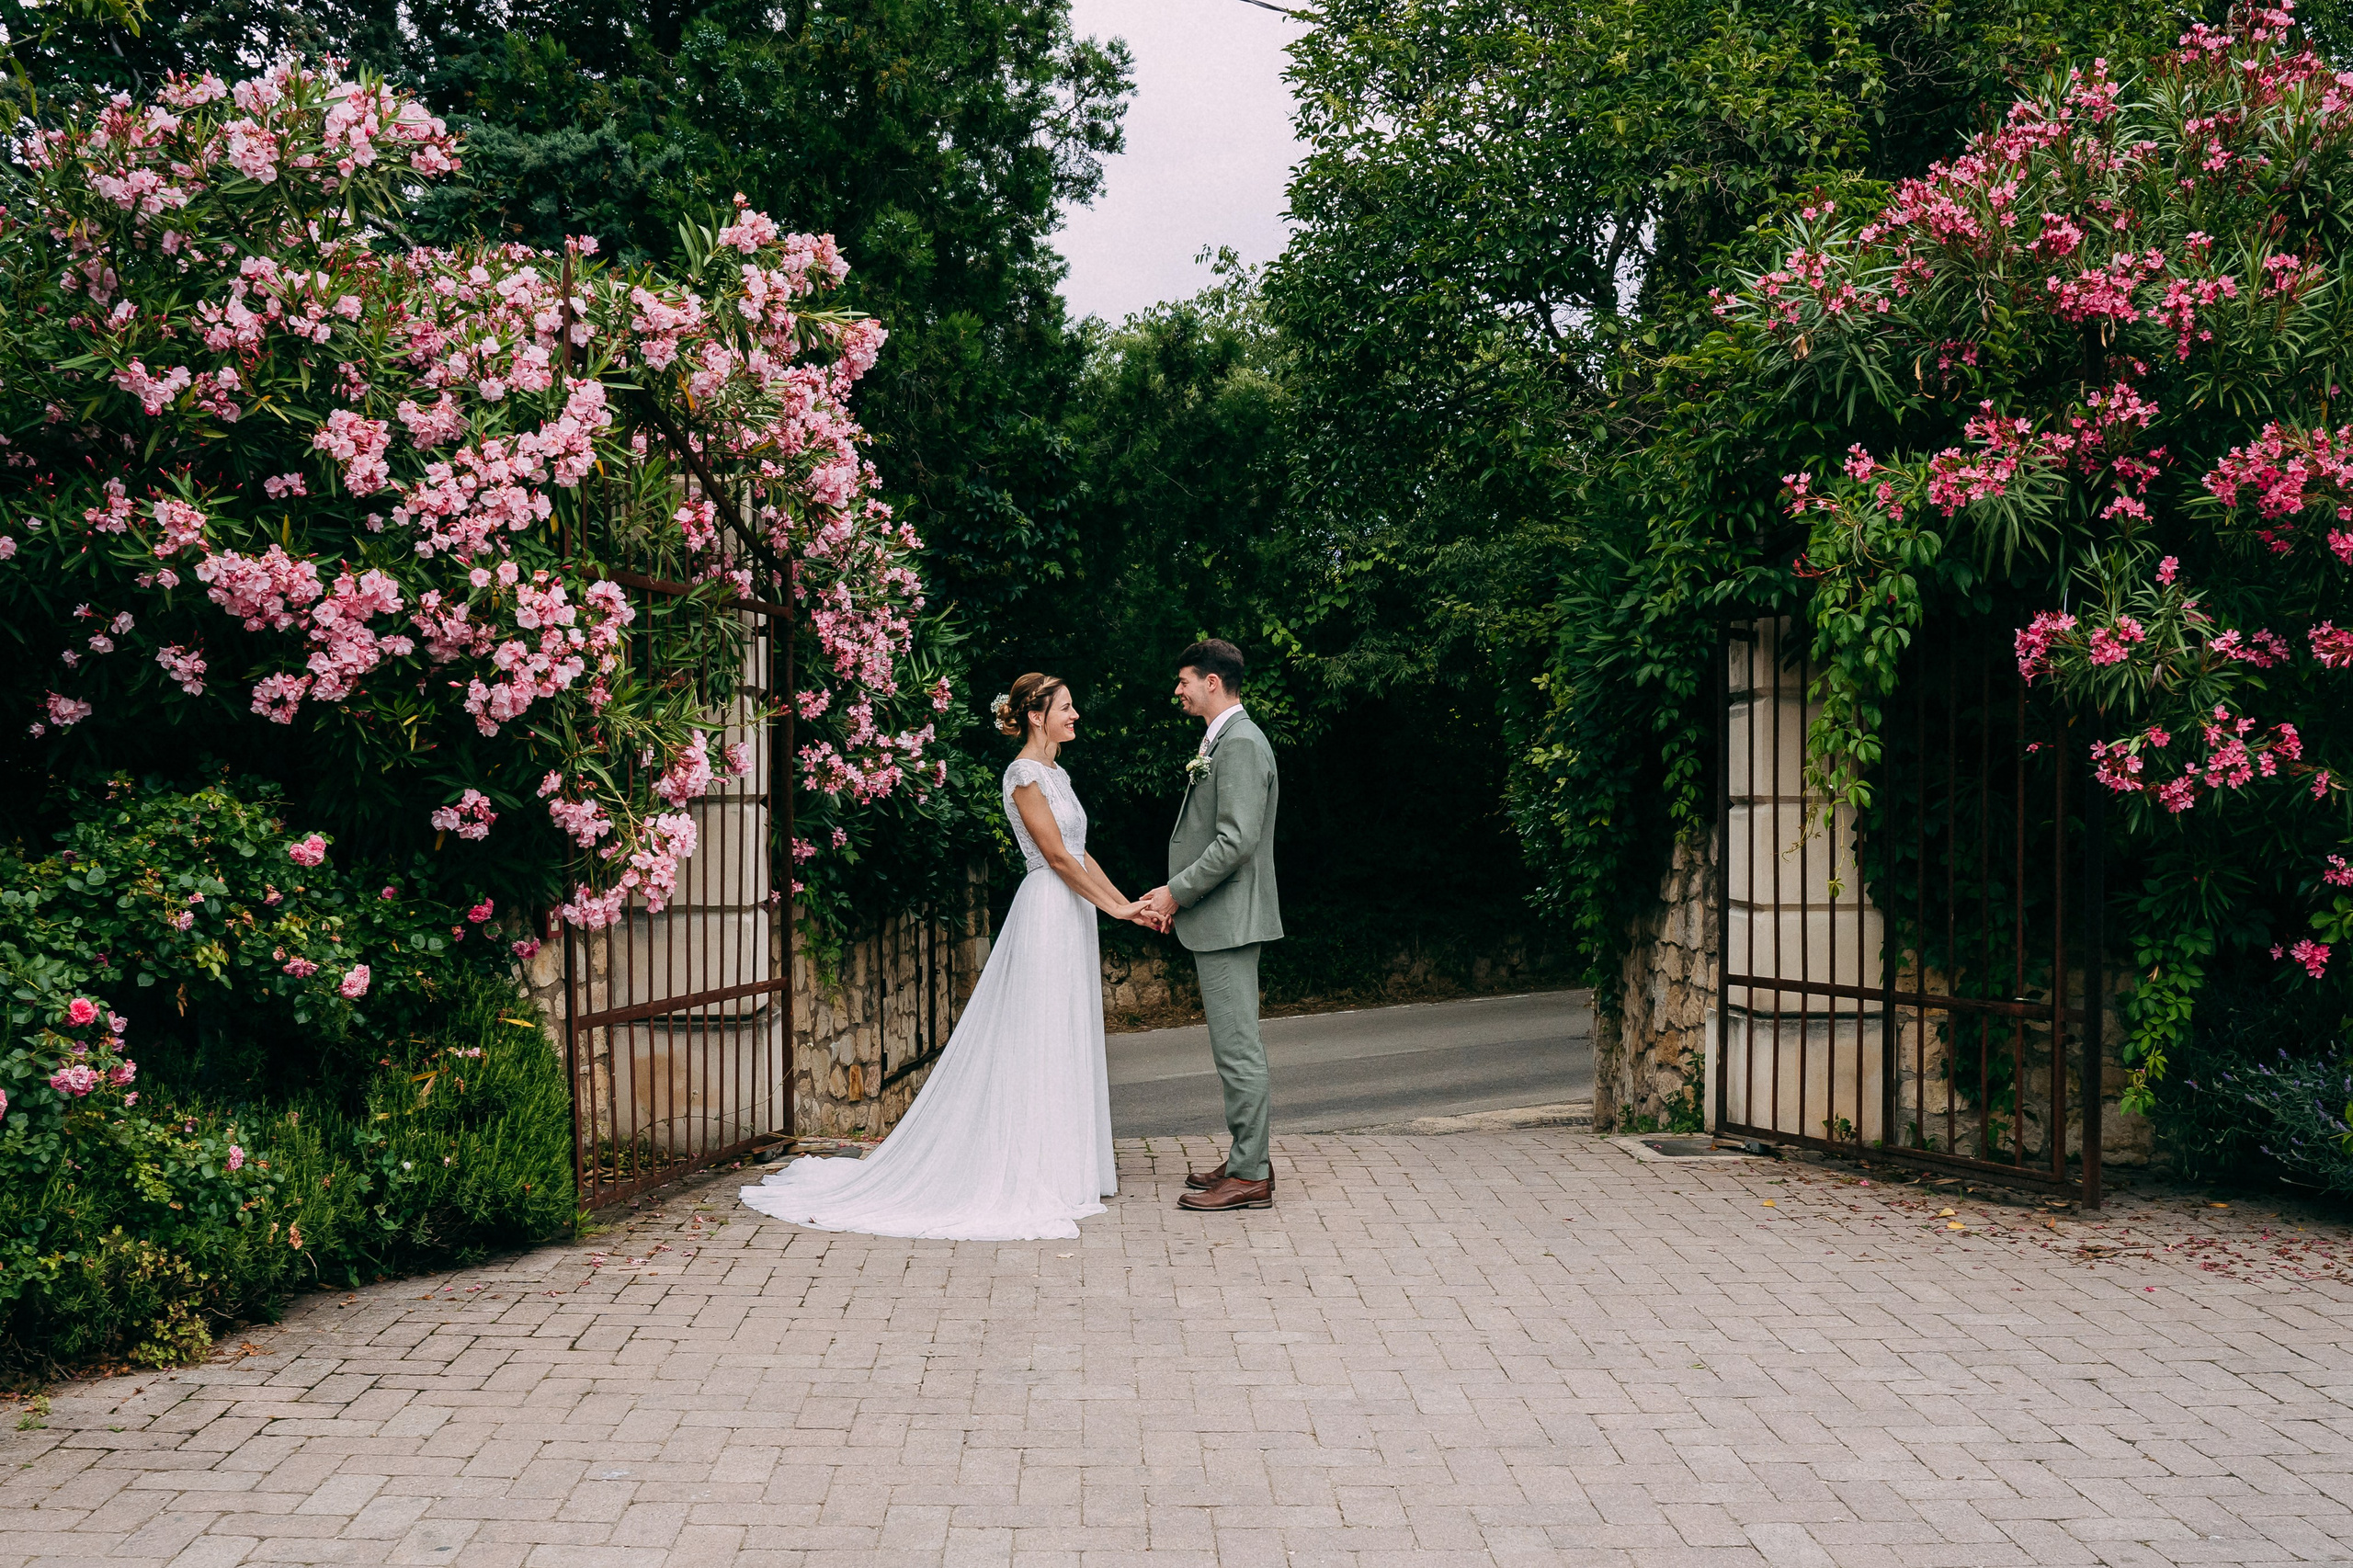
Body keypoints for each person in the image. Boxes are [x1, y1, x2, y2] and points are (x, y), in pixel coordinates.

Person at [738, 672, 1155, 1240]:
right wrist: (1116, 910)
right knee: (1039, 1032)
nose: (1075, 715)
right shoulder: (1022, 775)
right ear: (1037, 716)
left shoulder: (1058, 773)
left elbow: (1081, 854)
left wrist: (1126, 906)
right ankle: (1033, 1167)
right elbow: (1057, 859)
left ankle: (1067, 1165)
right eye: (1066, 707)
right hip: (1046, 910)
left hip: (1074, 912)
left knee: (1067, 1029)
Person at [1137, 638, 1282, 1212]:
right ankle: (1249, 1157)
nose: (1178, 690)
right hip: (1224, 917)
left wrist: (1175, 892)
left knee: (1237, 1048)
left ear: (1212, 682)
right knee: (1234, 1046)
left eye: (1184, 681)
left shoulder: (1240, 742)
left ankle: (1249, 1175)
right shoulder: (1225, 738)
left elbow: (1236, 841)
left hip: (1229, 919)